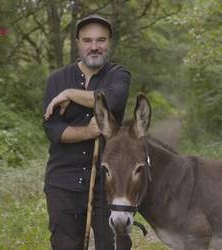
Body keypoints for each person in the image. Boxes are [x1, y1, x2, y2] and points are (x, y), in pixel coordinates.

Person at [42, 14, 132, 250]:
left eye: (101, 40)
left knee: (114, 246)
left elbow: (112, 100)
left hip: (110, 183)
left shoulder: (119, 75)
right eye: (87, 40)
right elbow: (53, 130)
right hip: (63, 182)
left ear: (109, 42)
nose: (94, 46)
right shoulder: (56, 80)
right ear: (77, 43)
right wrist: (88, 132)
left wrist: (70, 94)